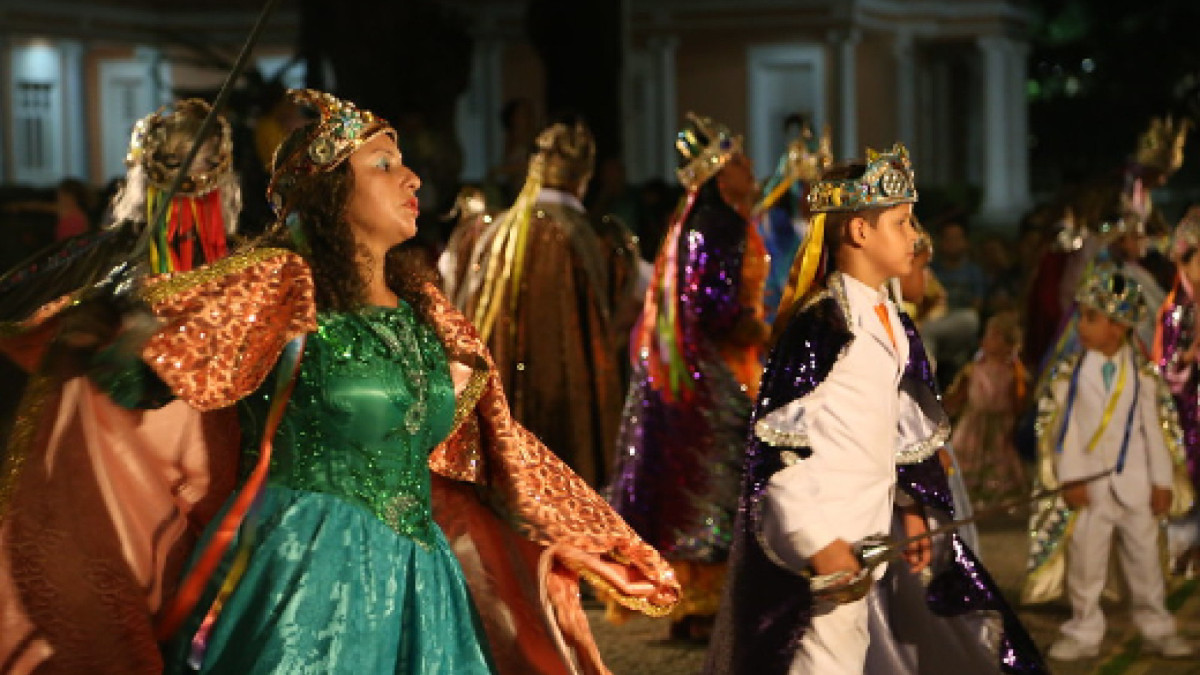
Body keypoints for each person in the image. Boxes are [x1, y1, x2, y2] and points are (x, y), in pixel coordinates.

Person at [0, 89, 680, 675]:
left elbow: (498, 445)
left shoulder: (428, 312)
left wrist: (591, 536)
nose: (411, 177)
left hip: (424, 587)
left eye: (404, 160)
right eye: (383, 163)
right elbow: (161, 360)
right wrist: (117, 334)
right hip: (308, 580)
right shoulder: (282, 286)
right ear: (327, 193)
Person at [705, 144, 1046, 674]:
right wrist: (819, 543)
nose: (915, 236)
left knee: (852, 652)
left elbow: (903, 431)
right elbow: (780, 455)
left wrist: (911, 511)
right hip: (823, 547)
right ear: (860, 233)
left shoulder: (892, 320)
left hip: (866, 539)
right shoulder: (821, 328)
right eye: (902, 222)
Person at [607, 113, 768, 641]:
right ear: (722, 174)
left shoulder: (692, 220)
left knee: (686, 482)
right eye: (741, 161)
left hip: (681, 370)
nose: (751, 169)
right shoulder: (718, 225)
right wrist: (764, 328)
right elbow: (712, 306)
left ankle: (691, 602)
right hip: (711, 370)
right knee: (716, 479)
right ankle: (706, 604)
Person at [440, 116, 637, 488]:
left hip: (500, 400)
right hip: (568, 409)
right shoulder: (592, 238)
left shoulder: (492, 232)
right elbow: (630, 297)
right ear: (584, 180)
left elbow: (452, 284)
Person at [1024, 265, 1194, 661]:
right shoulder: (1070, 375)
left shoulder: (1143, 377)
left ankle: (1156, 625)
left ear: (1118, 327)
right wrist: (1070, 479)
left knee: (1146, 562)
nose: (1080, 326)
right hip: (1089, 489)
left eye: (1090, 318)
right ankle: (1084, 629)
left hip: (1135, 487)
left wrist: (1162, 482)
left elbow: (1154, 434)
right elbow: (1063, 435)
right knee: (1086, 563)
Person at [943, 311, 1029, 509]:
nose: (986, 340)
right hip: (974, 421)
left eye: (994, 336)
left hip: (999, 424)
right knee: (967, 455)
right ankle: (966, 493)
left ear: (1008, 343)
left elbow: (1018, 397)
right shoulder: (975, 369)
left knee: (998, 456)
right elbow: (961, 393)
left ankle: (997, 492)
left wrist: (1017, 415)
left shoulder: (1013, 372)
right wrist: (949, 407)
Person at [1153, 213, 1200, 574]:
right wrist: (1189, 356)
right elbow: (1167, 368)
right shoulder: (1176, 312)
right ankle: (1183, 552)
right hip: (1187, 415)